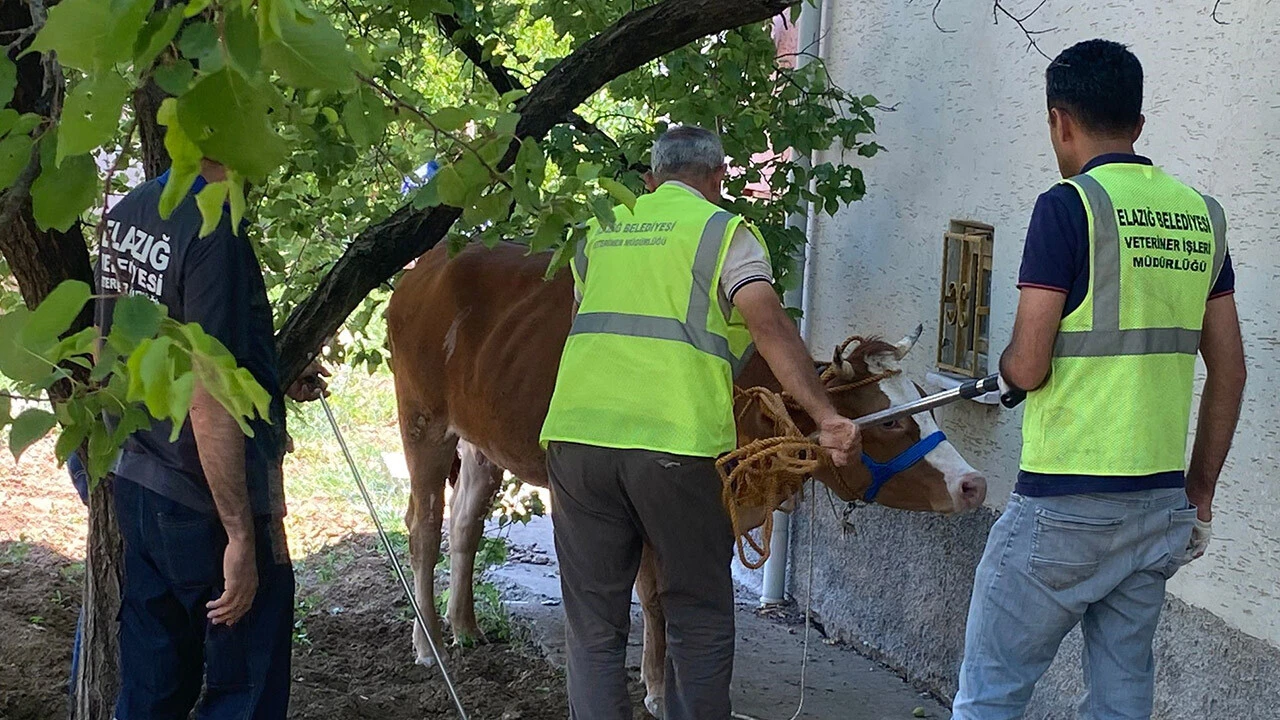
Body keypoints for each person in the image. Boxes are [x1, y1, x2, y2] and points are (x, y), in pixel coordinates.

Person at [953, 40, 1247, 719]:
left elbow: (1027, 365)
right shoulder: (1203, 215)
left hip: (1061, 504)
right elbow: (1230, 369)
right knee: (1120, 702)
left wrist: (1002, 377)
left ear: (1059, 121)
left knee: (990, 697)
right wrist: (1197, 494)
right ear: (1138, 125)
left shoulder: (1067, 207)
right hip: (1155, 506)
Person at [539, 125, 863, 720]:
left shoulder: (596, 233)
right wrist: (826, 416)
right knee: (698, 614)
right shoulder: (723, 232)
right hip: (675, 444)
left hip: (576, 440)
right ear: (718, 177)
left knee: (592, 625)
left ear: (650, 179)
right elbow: (768, 326)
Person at [96, 159, 329, 719]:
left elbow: (110, 350)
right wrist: (239, 535)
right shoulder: (213, 224)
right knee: (242, 692)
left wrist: (266, 368)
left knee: (151, 690)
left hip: (140, 482)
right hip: (204, 504)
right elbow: (208, 392)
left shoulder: (127, 213)